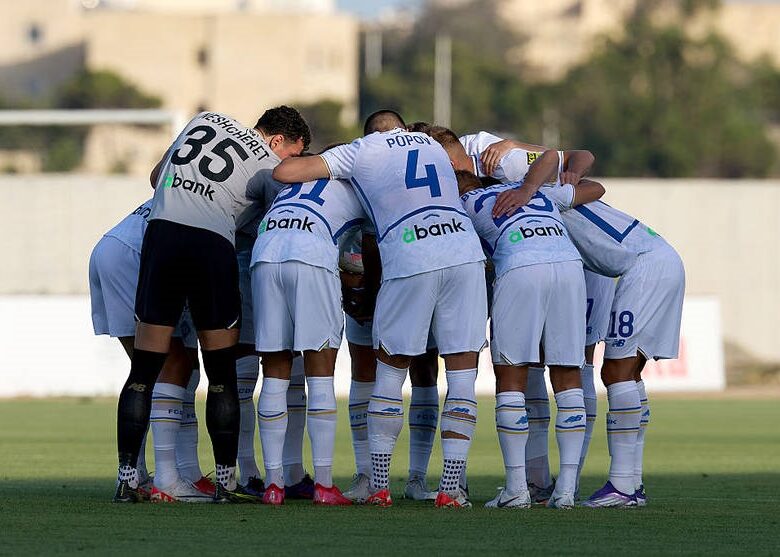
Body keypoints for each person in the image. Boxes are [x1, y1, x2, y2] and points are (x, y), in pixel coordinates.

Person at [273, 110, 513, 508]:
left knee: (390, 368)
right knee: (462, 371)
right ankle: (451, 488)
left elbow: (287, 173)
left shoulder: (362, 149)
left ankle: (379, 484)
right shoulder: (432, 144)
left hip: (410, 251)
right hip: (462, 250)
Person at [113, 106, 310, 503]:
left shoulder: (205, 119)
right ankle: (226, 484)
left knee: (143, 369)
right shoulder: (268, 164)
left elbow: (156, 179)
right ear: (277, 141)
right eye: (294, 155)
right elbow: (277, 219)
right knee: (221, 373)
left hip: (161, 237)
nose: (290, 167)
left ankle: (127, 480)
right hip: (211, 245)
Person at [453, 144, 605, 509]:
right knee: (569, 373)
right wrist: (533, 186)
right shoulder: (538, 193)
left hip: (520, 267)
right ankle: (566, 491)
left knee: (511, 376)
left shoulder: (461, 205)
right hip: (570, 267)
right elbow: (593, 186)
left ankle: (517, 489)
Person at [251, 165, 366, 506]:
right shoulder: (359, 187)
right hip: (312, 254)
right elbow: (365, 253)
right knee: (319, 376)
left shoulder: (296, 183)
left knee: (274, 373)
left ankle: (273, 485)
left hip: (266, 251)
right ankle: (324, 485)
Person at [90, 199, 213, 502]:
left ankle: (137, 475)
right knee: (169, 366)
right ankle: (168, 479)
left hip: (112, 245)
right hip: (140, 255)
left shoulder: (187, 178)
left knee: (154, 370)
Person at [339, 227, 440, 503]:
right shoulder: (354, 184)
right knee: (363, 369)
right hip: (364, 278)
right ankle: (365, 474)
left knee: (425, 369)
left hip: (417, 273)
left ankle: (417, 478)